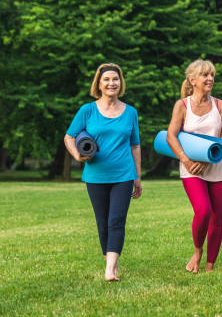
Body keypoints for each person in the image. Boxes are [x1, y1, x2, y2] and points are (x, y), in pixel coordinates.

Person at [64, 63, 142, 281]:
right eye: (106, 79)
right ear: (99, 83)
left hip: (123, 175)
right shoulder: (87, 110)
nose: (111, 83)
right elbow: (69, 137)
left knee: (117, 219)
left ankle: (110, 268)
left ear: (120, 83)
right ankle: (111, 261)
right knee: (103, 222)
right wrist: (78, 156)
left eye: (115, 79)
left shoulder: (131, 112)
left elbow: (135, 145)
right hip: (95, 176)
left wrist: (137, 176)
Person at [166, 60, 222, 273]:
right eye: (205, 75)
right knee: (203, 211)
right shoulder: (182, 105)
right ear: (192, 80)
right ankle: (197, 252)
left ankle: (210, 265)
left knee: (217, 218)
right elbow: (171, 136)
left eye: (212, 75)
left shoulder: (219, 104)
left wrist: (207, 161)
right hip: (191, 168)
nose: (210, 79)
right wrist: (186, 161)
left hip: (220, 167)